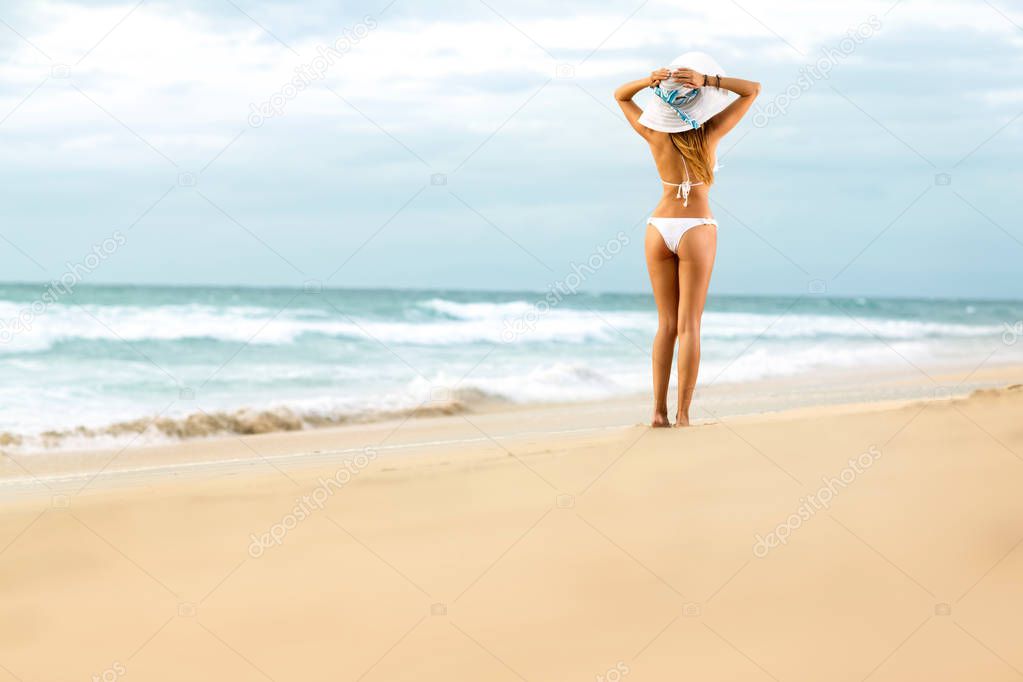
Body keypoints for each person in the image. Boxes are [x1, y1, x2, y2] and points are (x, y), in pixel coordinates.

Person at [614, 53, 760, 427]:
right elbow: (752, 90)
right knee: (689, 325)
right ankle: (682, 415)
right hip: (696, 226)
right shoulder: (710, 133)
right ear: (700, 103)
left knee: (665, 325)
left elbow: (620, 96)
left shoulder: (653, 134)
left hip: (658, 227)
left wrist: (650, 81)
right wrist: (708, 80)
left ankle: (657, 413)